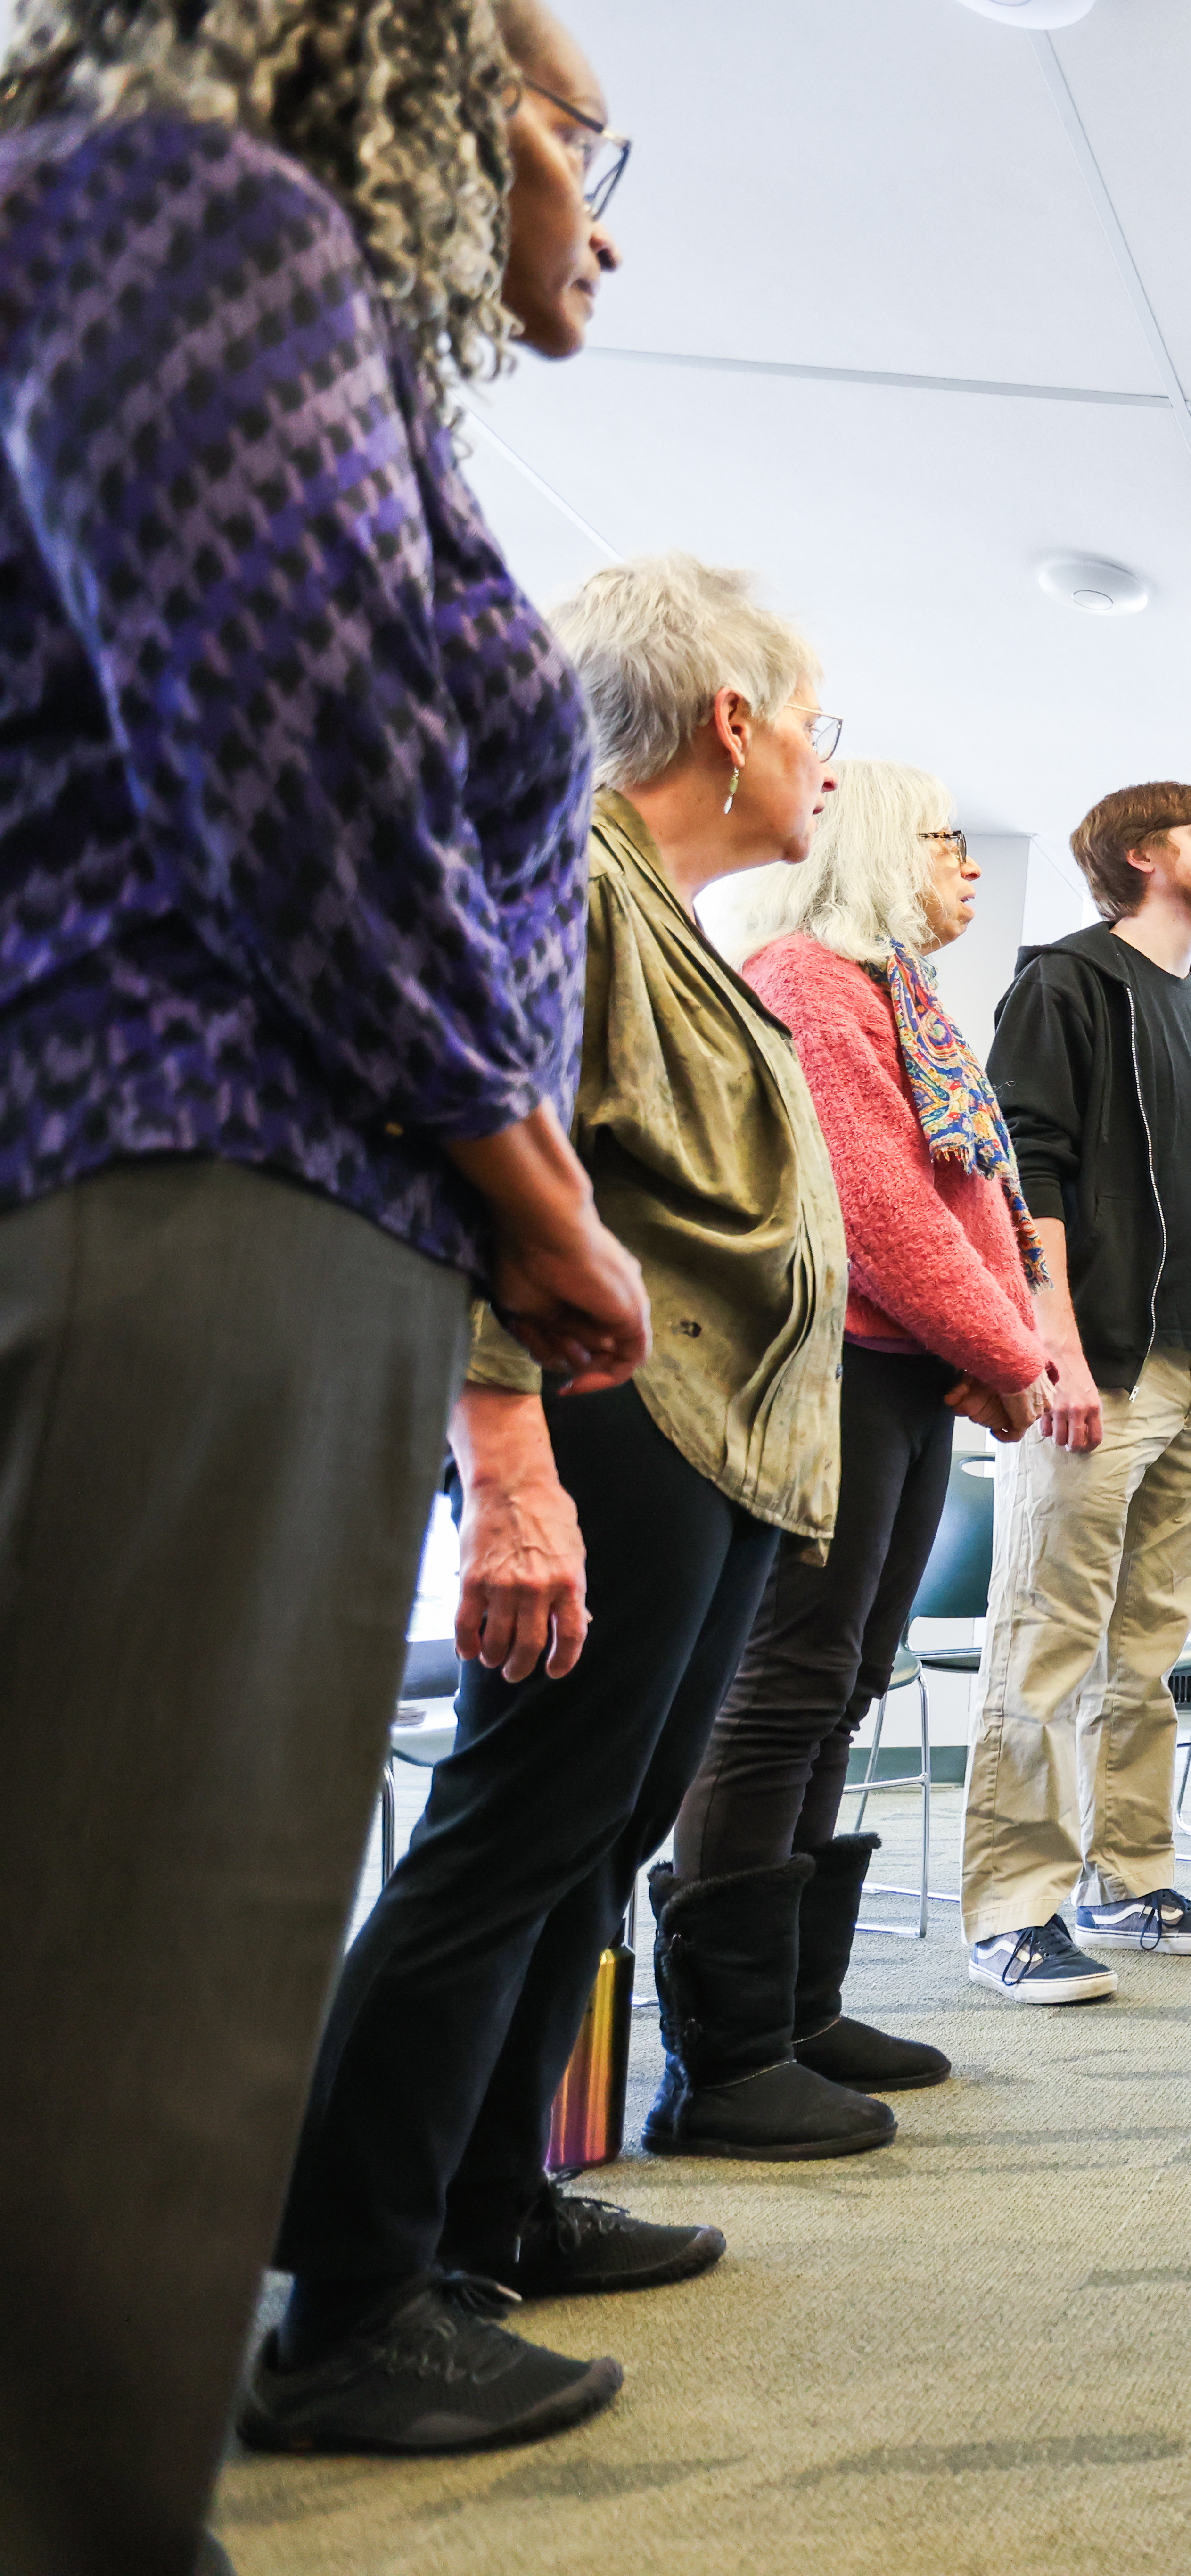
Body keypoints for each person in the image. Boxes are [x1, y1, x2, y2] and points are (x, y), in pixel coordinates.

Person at [0, 2, 646, 2554]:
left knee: (131, 2002)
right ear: (430, 80)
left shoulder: (269, 289)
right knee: (126, 2040)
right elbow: (294, 750)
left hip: (274, 1204)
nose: (605, 203)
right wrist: (531, 1180)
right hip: (198, 1179)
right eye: (595, 140)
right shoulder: (189, 204)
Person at [253, 551, 852, 2452]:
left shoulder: (654, 910)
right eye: (811, 727)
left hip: (704, 1438)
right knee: (510, 1833)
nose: (825, 767)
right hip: (610, 1419)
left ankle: (490, 2207)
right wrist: (505, 1456)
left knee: (582, 1847)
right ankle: (351, 2300)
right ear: (731, 724)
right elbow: (468, 1163)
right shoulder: (563, 872)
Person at [654, 765, 1054, 2144]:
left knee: (843, 1680)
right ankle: (724, 2064)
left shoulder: (894, 995)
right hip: (835, 1373)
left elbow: (967, 1200)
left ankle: (799, 2014)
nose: (972, 866)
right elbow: (885, 1215)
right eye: (953, 841)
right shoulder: (813, 986)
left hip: (896, 1377)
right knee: (786, 1686)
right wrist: (1018, 1357)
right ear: (889, 845)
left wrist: (994, 1349)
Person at [960, 780, 1191, 2000]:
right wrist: (1057, 1349)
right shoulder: (1066, 983)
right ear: (1144, 856)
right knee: (1047, 1644)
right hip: (1097, 1368)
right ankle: (1011, 1912)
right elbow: (1021, 1168)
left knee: (1148, 1651)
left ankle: (1132, 1877)